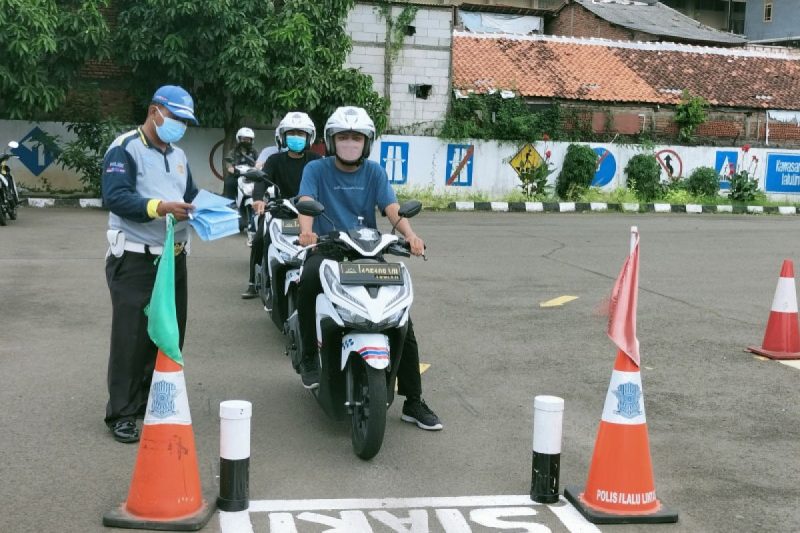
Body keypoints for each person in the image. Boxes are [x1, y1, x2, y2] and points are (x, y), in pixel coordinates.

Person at [296, 106, 442, 431]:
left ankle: (413, 401)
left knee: (400, 317)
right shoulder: (316, 169)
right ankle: (308, 356)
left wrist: (411, 236)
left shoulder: (374, 172)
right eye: (343, 137)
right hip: (328, 249)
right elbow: (306, 200)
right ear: (331, 141)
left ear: (367, 142)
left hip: (366, 252)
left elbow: (392, 208)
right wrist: (306, 231)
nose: (350, 143)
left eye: (356, 137)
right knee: (307, 280)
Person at [101, 84, 199, 443]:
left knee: (168, 334)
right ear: (155, 110)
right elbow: (115, 197)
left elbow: (189, 196)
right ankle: (122, 412)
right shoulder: (126, 148)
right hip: (135, 257)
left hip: (173, 259)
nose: (180, 127)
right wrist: (159, 207)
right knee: (132, 337)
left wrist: (208, 210)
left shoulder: (179, 156)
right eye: (176, 118)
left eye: (185, 122)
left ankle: (149, 399)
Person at [242, 111, 320, 299]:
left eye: (301, 134)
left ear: (309, 137)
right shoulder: (274, 160)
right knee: (260, 238)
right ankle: (254, 282)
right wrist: (258, 199)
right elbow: (261, 181)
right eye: (292, 133)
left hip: (309, 211)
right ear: (282, 137)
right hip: (281, 209)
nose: (296, 137)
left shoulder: (316, 160)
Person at [223, 127, 258, 199]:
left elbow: (258, 162)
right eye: (244, 139)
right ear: (239, 139)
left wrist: (257, 167)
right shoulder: (233, 152)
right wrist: (232, 169)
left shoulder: (254, 152)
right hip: (237, 175)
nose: (246, 141)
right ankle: (231, 202)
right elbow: (229, 164)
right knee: (229, 183)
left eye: (248, 139)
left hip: (251, 175)